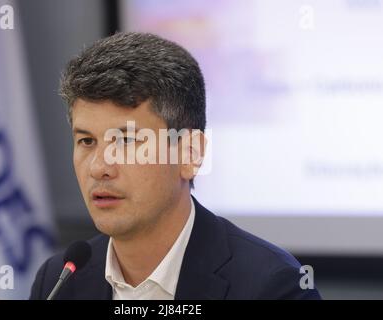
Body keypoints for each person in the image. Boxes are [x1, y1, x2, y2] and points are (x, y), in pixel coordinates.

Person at [30, 32, 321, 300]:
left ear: (190, 154)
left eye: (127, 140)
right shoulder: (59, 282)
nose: (98, 168)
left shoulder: (270, 288)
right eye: (86, 141)